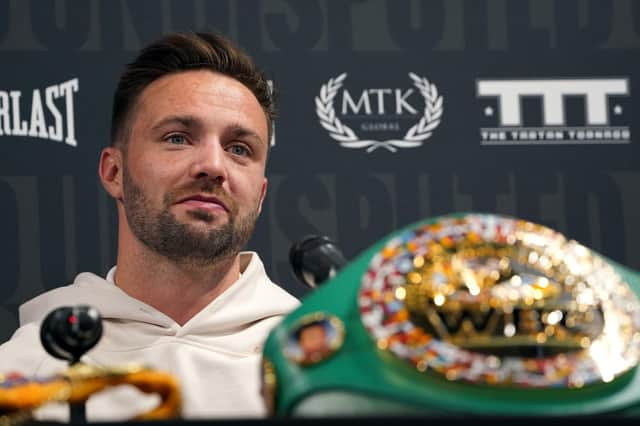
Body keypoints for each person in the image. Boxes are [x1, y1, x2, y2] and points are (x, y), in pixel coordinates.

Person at [0, 32, 299, 420]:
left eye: (239, 148)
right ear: (114, 172)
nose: (213, 165)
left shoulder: (321, 366)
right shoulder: (20, 375)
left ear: (259, 196)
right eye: (178, 138)